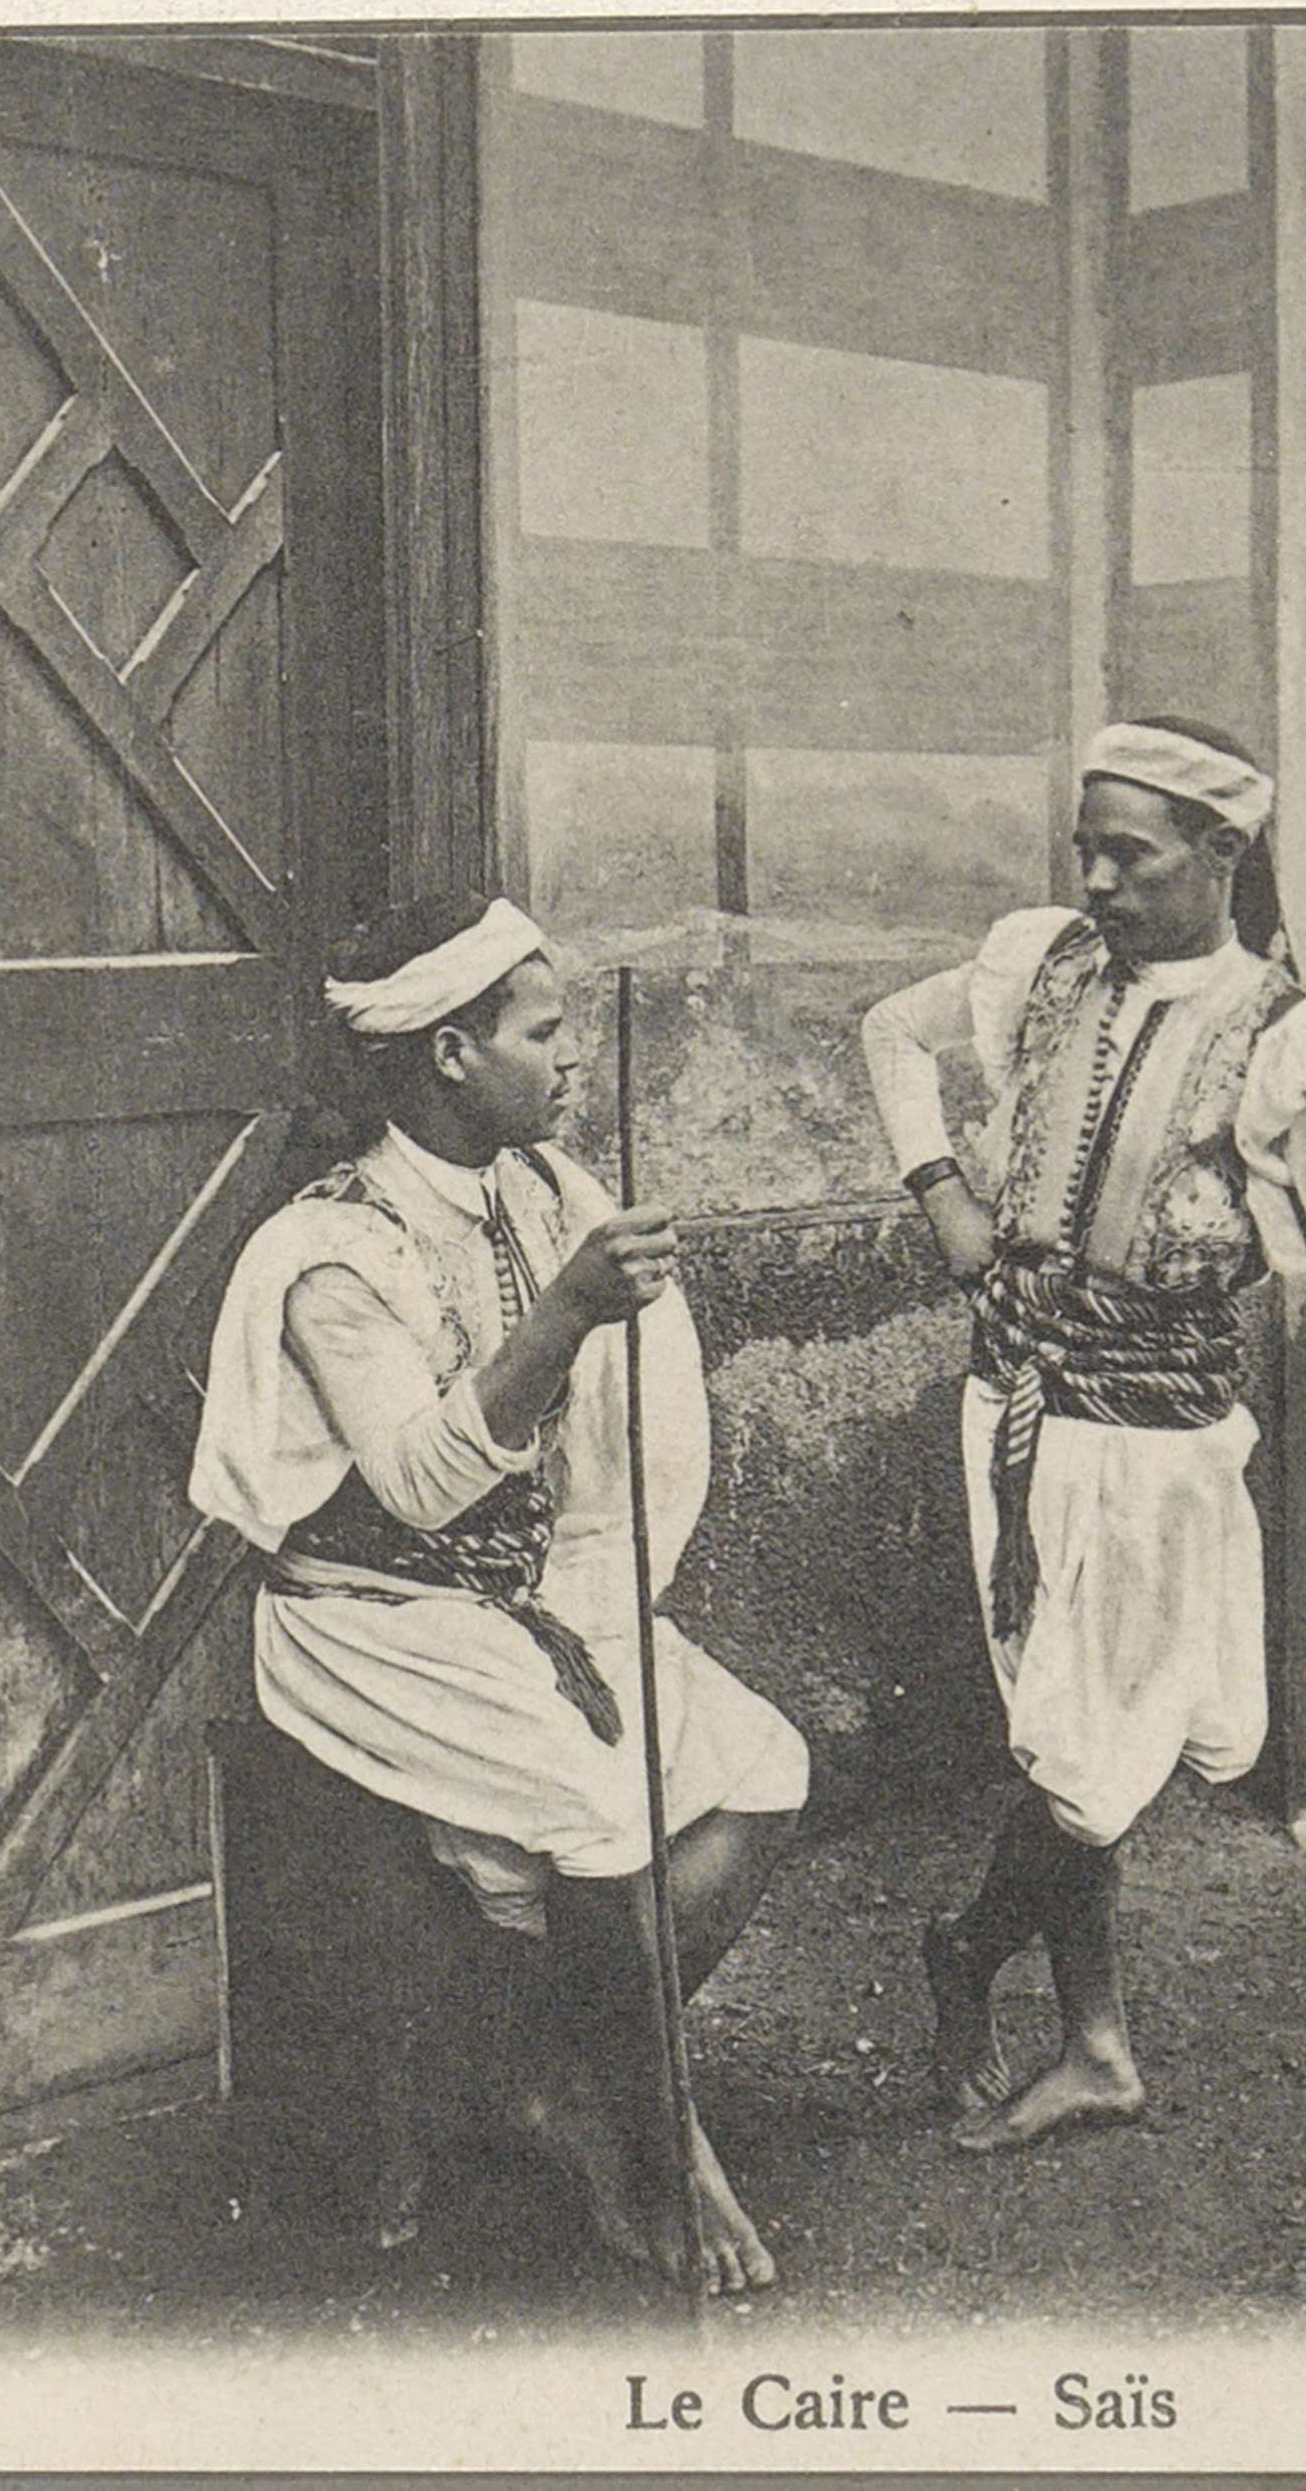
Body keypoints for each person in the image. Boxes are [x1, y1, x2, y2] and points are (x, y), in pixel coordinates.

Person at [860, 717, 1306, 2154]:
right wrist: (942, 1198)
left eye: (1130, 856)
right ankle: (1093, 2044)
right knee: (1074, 1746)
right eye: (1084, 852)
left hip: (1162, 1447)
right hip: (1013, 1417)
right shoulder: (1041, 963)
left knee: (1096, 1755)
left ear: (1222, 851)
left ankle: (973, 1949)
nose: (1096, 882)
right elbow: (888, 1036)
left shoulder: (1290, 1047)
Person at [191, 893, 808, 2292]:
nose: (572, 1055)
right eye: (542, 1031)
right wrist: (568, 1313)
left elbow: (619, 1433)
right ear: (450, 1055)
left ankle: (561, 2077)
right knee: (600, 1816)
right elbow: (417, 1487)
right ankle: (662, 2142)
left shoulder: (544, 1192)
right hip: (370, 1621)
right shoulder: (332, 1251)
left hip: (524, 1604)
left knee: (764, 1764)